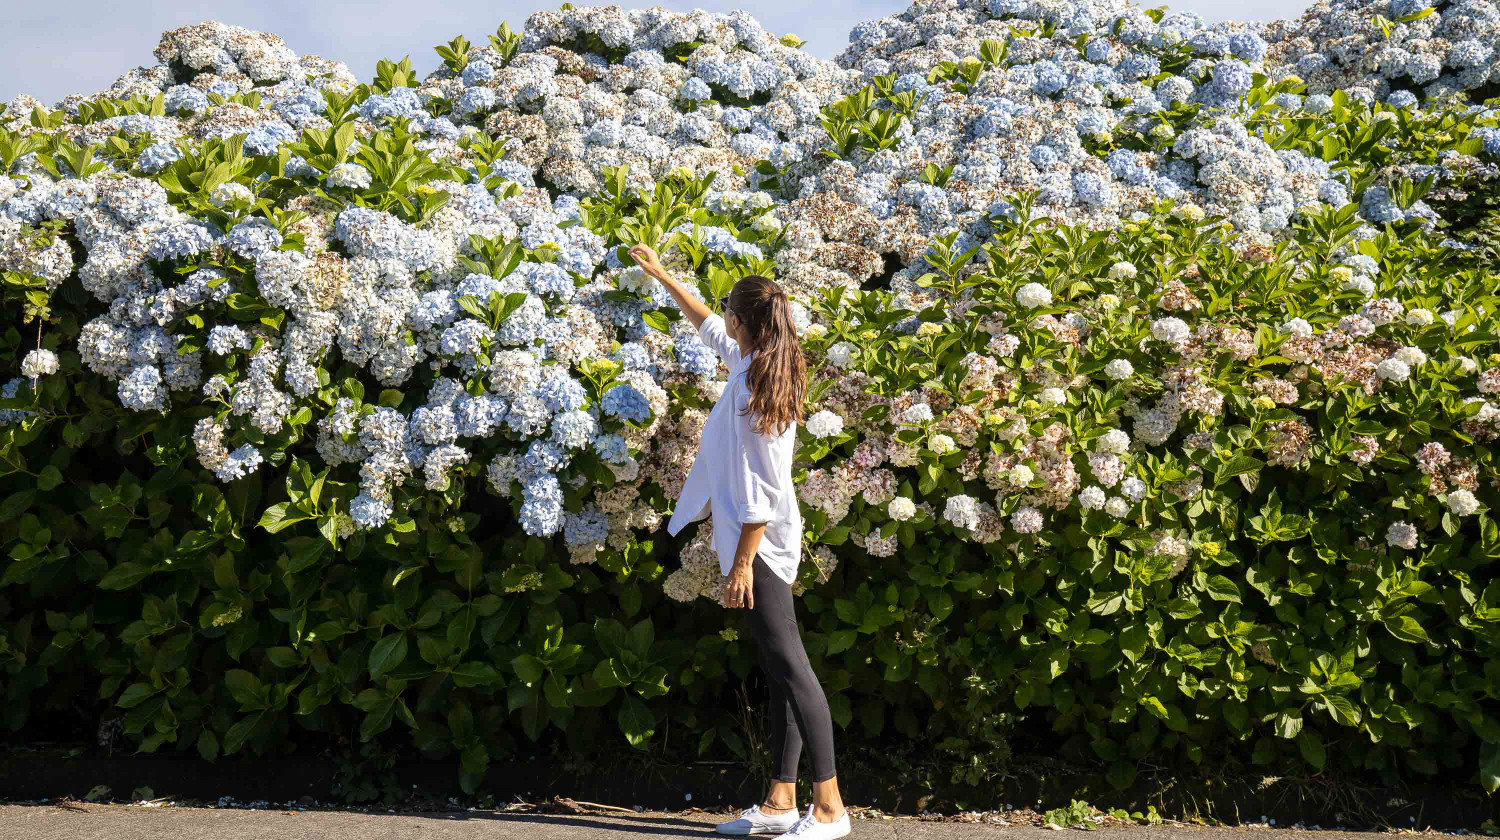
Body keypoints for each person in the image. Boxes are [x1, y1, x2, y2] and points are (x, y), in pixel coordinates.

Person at [628, 244, 850, 840]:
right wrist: (662, 274)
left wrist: (743, 565)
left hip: (764, 545)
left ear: (742, 321)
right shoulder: (751, 363)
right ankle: (780, 800)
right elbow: (706, 327)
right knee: (780, 672)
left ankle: (829, 808)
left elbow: (766, 492)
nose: (720, 319)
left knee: (792, 670)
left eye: (727, 310)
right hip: (756, 540)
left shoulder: (757, 390)